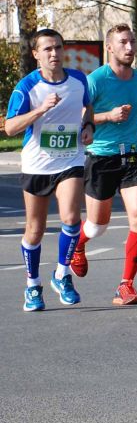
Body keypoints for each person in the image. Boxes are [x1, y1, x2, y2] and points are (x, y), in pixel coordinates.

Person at [69, 23, 137, 305]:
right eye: (124, 43)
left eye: (133, 42)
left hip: (131, 155)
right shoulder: (95, 81)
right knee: (97, 225)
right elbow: (80, 118)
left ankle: (125, 285)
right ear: (110, 47)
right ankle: (78, 245)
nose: (130, 48)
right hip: (101, 156)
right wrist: (107, 116)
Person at [4, 29, 94, 311]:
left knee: (71, 218)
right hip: (37, 164)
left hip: (70, 160)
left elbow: (87, 107)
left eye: (58, 48)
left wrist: (89, 126)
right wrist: (39, 110)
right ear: (36, 55)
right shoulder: (27, 87)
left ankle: (62, 274)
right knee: (36, 229)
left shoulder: (79, 80)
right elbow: (9, 128)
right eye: (47, 50)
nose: (54, 54)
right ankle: (32, 285)